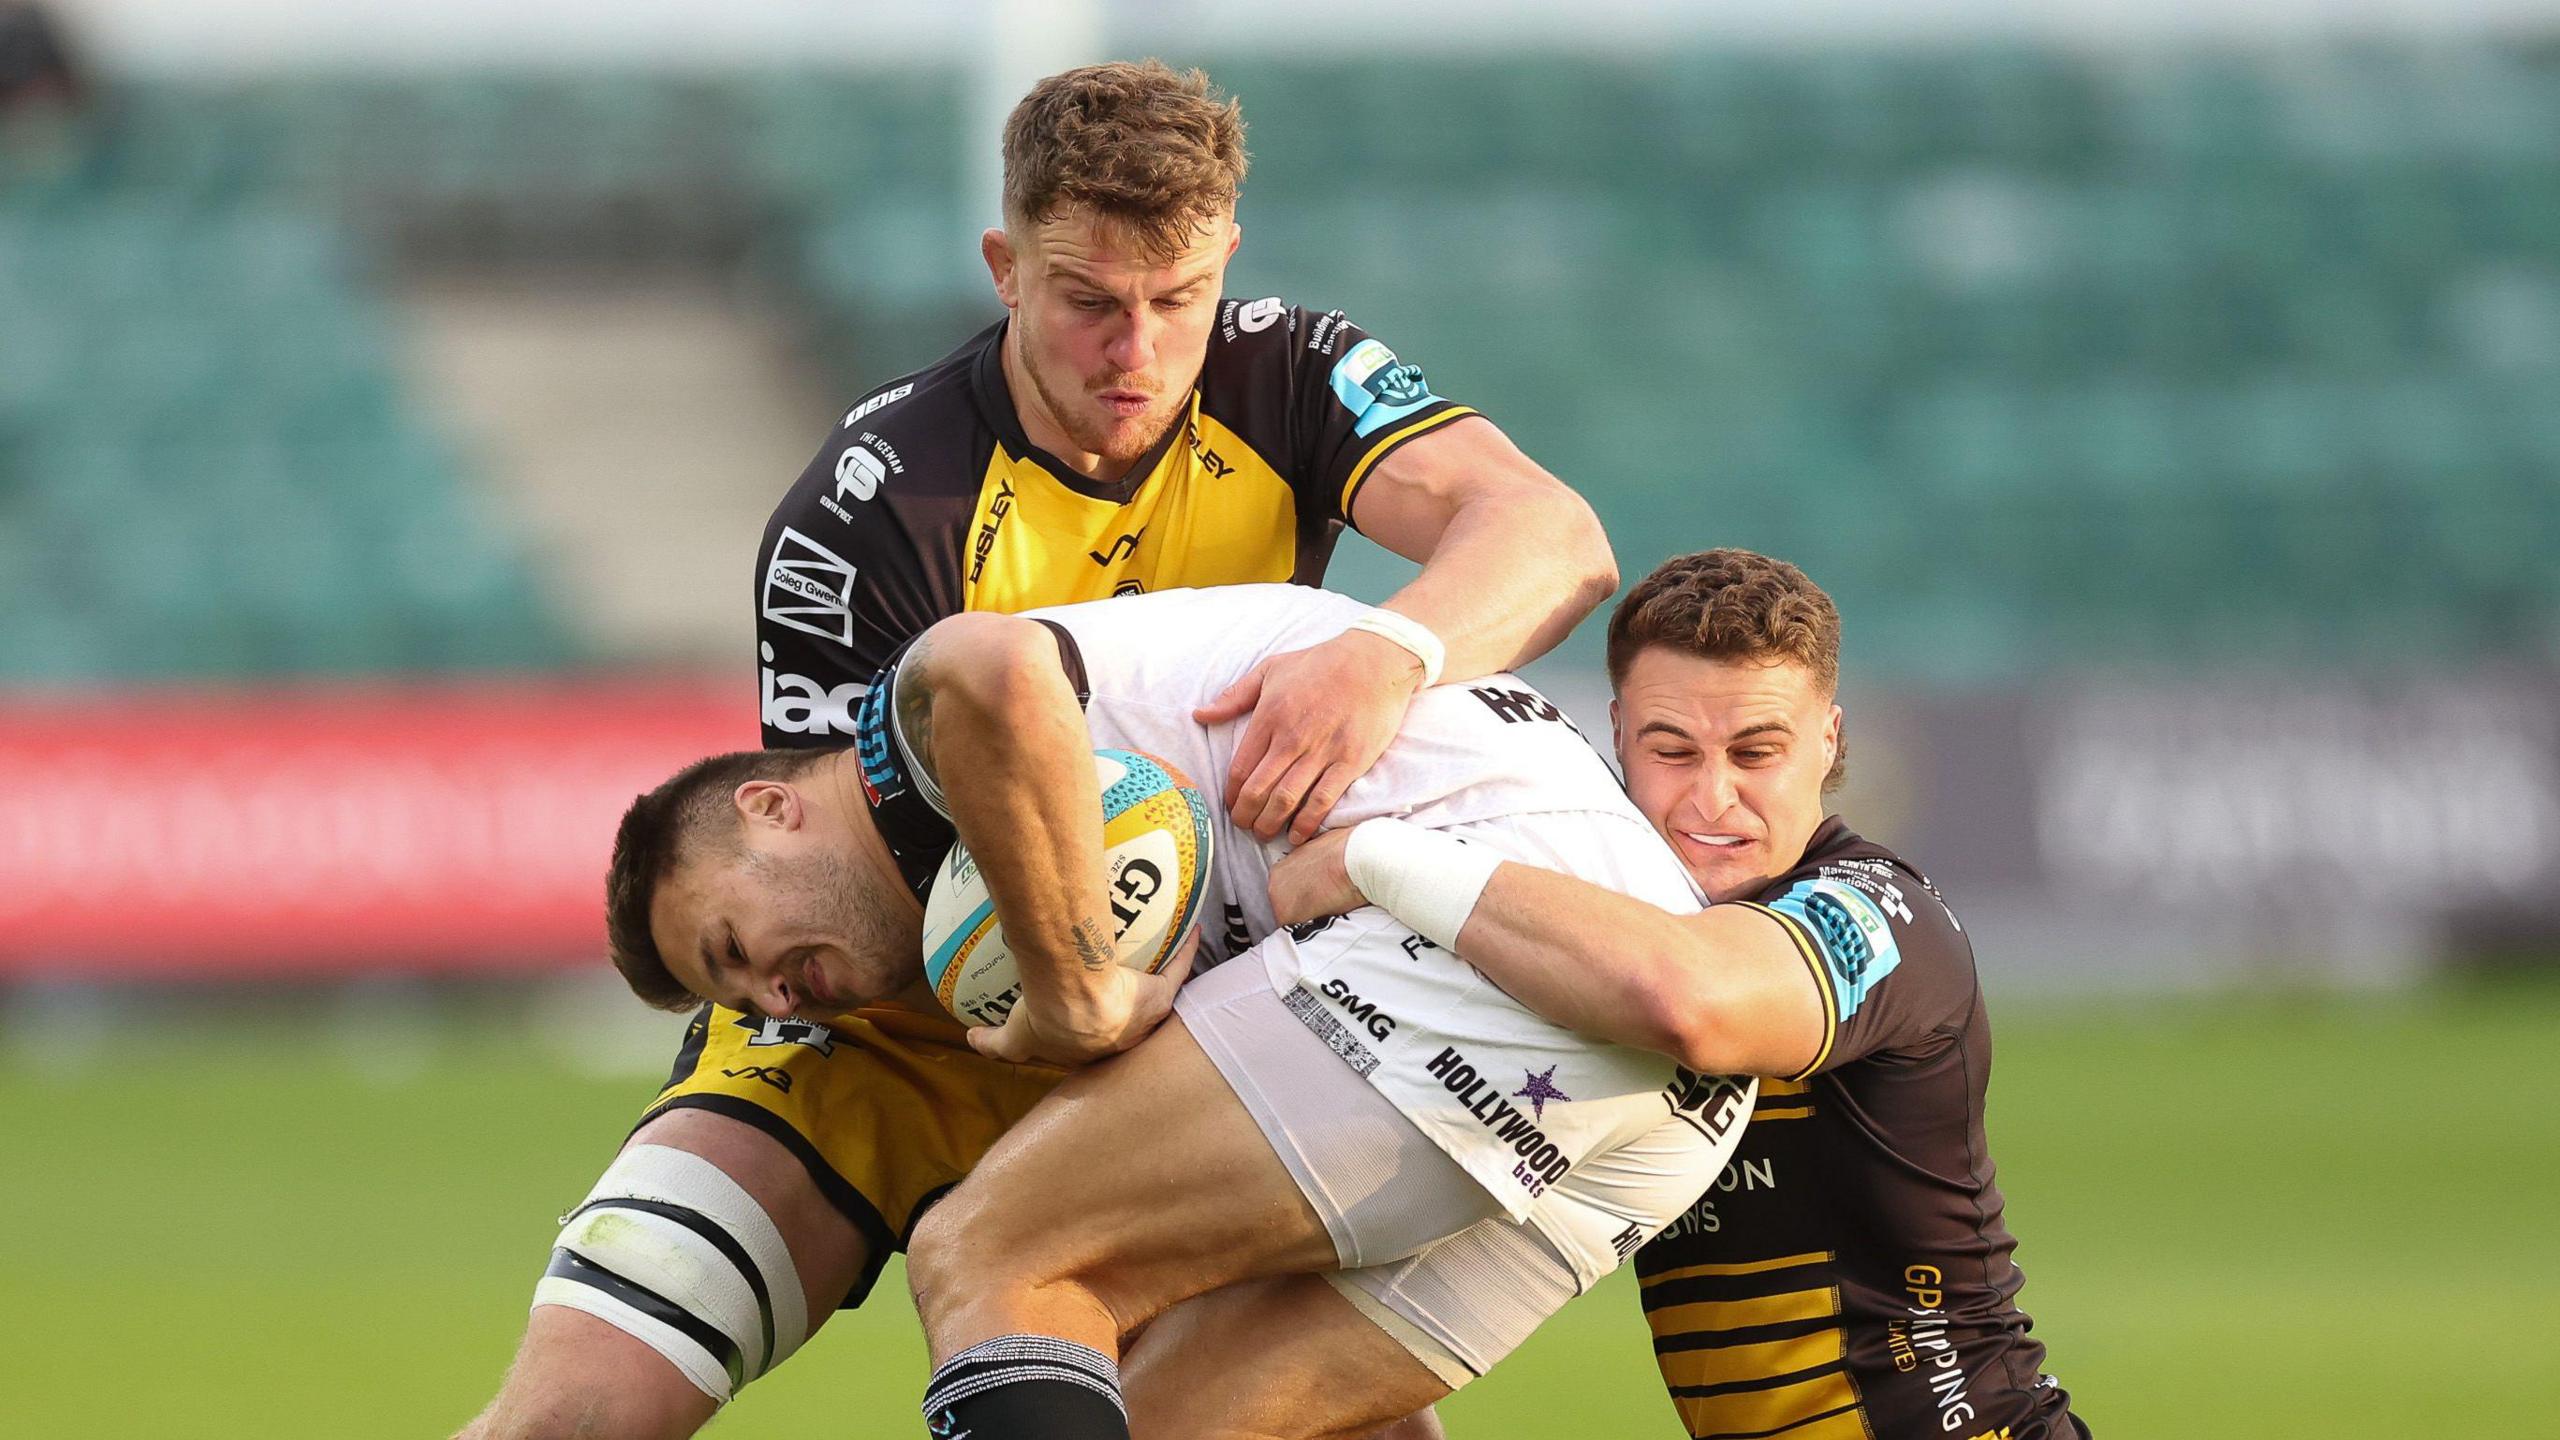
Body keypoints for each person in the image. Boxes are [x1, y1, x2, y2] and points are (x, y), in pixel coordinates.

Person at [457, 59, 1614, 1439]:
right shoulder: (871, 514)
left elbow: (1554, 538)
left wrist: (1390, 652)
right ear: (1005, 266)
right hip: (889, 1032)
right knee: (573, 1418)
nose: (1134, 350)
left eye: (1174, 302)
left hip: (1159, 1021)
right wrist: (1079, 981)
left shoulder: (1291, 371)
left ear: (1227, 258)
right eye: (1088, 302)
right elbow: (872, 903)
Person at [608, 582, 1757, 1439]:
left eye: (731, 948)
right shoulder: (966, 893)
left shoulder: (906, 754)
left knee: (994, 1254)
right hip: (1660, 1110)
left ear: (768, 808)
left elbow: (993, 668)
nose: (769, 995)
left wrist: (1073, 991)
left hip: (1501, 934)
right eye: (740, 999)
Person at [1267, 549, 2089, 1440]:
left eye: (1756, 752)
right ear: (1617, 734)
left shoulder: (1887, 916)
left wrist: (1376, 859)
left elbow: (1688, 1000)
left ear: (1829, 739)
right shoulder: (1576, 930)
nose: (1712, 797)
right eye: (1671, 750)